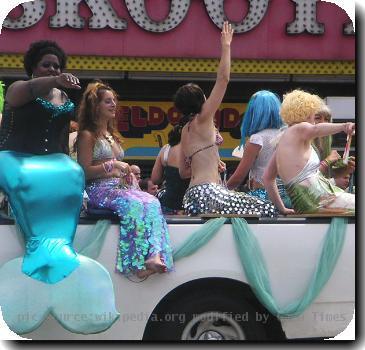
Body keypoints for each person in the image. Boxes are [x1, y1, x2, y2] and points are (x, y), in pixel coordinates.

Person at [0, 40, 85, 280]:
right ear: (33, 68)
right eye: (46, 65)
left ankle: (60, 247)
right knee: (29, 178)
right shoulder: (18, 88)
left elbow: (61, 136)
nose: (53, 69)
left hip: (54, 162)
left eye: (57, 66)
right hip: (15, 158)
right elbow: (30, 91)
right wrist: (55, 81)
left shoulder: (64, 95)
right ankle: (39, 247)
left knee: (73, 172)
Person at [175, 22, 277, 217]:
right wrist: (226, 46)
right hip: (209, 193)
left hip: (191, 196)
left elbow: (183, 173)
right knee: (268, 208)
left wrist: (211, 164)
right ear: (201, 101)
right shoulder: (203, 118)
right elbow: (223, 79)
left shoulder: (185, 130)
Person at [76, 81, 173, 279]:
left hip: (120, 188)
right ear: (96, 106)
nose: (113, 105)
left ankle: (154, 255)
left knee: (153, 201)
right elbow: (84, 172)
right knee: (135, 205)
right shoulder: (87, 135)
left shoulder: (112, 135)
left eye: (114, 101)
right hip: (99, 191)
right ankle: (135, 263)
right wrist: (112, 166)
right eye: (107, 101)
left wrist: (125, 172)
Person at [263, 89, 355, 214]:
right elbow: (316, 129)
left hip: (306, 204)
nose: (315, 118)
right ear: (307, 112)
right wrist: (344, 126)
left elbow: (267, 179)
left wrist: (283, 209)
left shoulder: (283, 141)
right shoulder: (300, 128)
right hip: (318, 200)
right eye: (315, 114)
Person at [226, 90, 291, 208]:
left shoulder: (257, 139)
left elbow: (238, 177)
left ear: (254, 112)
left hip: (263, 197)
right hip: (289, 196)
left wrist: (221, 191)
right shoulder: (288, 134)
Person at [151, 125, 190, 214]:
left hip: (167, 205)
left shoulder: (166, 149)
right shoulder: (194, 149)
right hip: (188, 207)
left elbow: (155, 179)